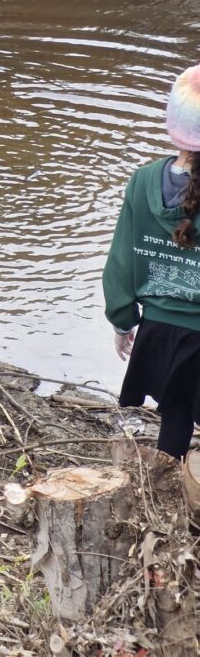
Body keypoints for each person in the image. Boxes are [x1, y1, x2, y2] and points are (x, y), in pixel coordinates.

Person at [103, 63, 200, 459]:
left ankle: (166, 484)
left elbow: (121, 261)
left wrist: (123, 321)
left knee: (176, 413)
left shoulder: (143, 180)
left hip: (158, 328)